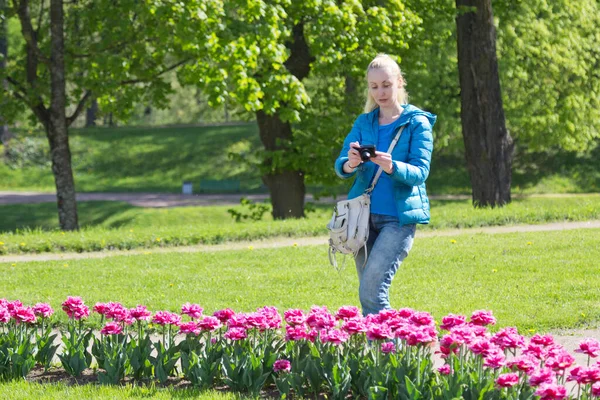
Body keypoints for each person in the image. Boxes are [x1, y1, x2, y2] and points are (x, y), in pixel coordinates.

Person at [334, 54, 436, 316]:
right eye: (374, 86)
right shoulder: (364, 122)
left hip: (397, 220)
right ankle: (381, 353)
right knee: (369, 294)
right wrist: (351, 163)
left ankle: (396, 349)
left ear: (399, 82)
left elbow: (420, 172)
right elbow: (342, 164)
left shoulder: (417, 123)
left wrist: (392, 166)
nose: (380, 91)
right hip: (362, 219)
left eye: (386, 84)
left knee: (371, 291)